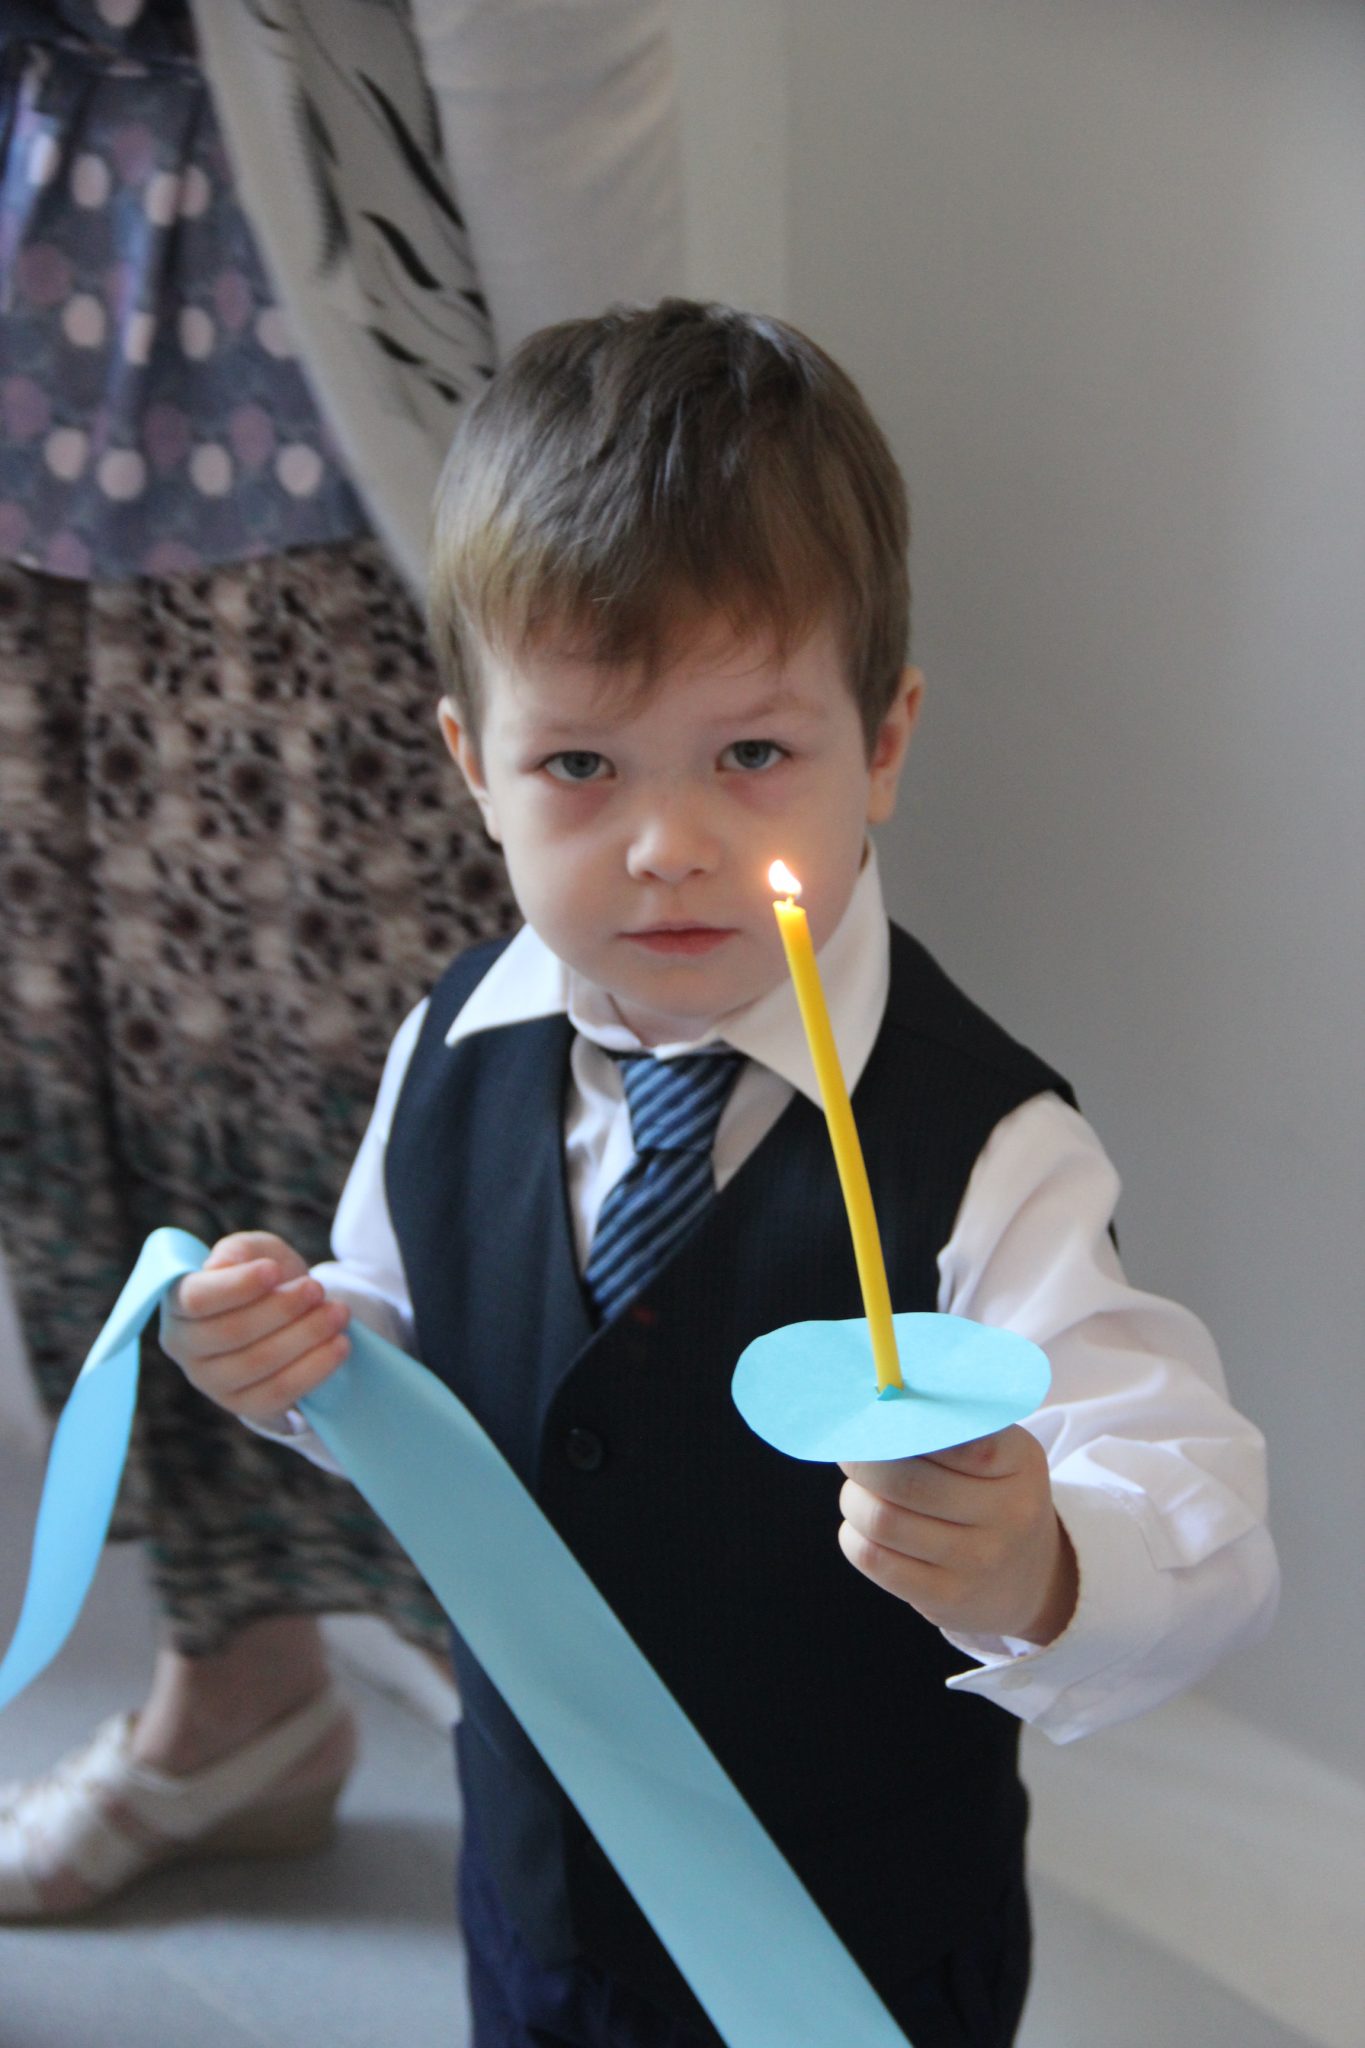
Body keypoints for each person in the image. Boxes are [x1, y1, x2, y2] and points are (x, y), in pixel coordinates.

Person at [157, 300, 1278, 2048]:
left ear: (880, 744)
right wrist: (308, 1353)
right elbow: (404, 1327)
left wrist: (1037, 1566)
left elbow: (1200, 1517)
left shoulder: (987, 1145)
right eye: (579, 766)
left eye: (750, 754)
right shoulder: (448, 1045)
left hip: (845, 1960)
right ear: (472, 767)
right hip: (538, 1902)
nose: (668, 844)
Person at [0, 0, 677, 1918]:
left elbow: (558, 81)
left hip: (334, 459)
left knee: (467, 1137)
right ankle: (239, 1695)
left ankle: (609, 1786)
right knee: (86, 1083)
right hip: (34, 390)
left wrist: (624, 541)